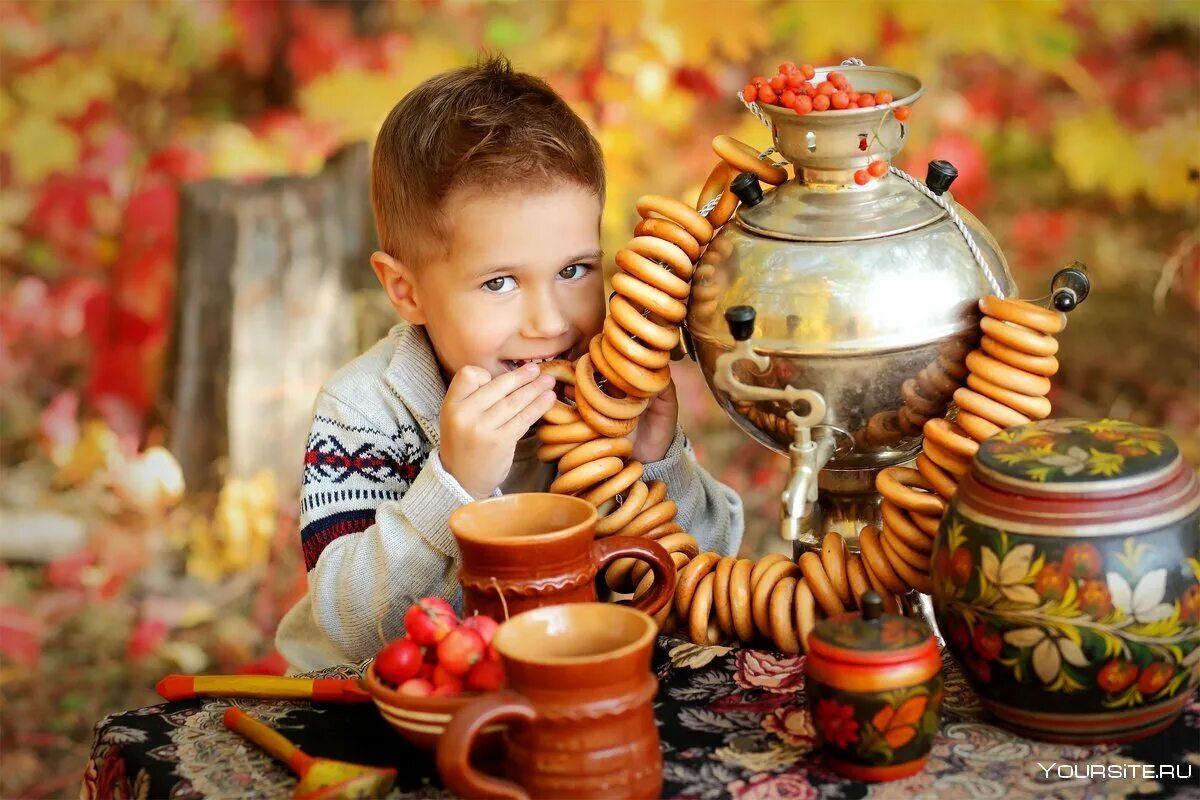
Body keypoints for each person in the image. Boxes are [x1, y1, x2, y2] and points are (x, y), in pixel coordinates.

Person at [275, 55, 743, 671]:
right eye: (499, 283)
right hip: (379, 707)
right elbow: (353, 628)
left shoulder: (601, 392)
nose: (549, 322)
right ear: (406, 290)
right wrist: (451, 487)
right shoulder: (365, 411)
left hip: (561, 687)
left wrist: (656, 465)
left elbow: (705, 586)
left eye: (574, 270)